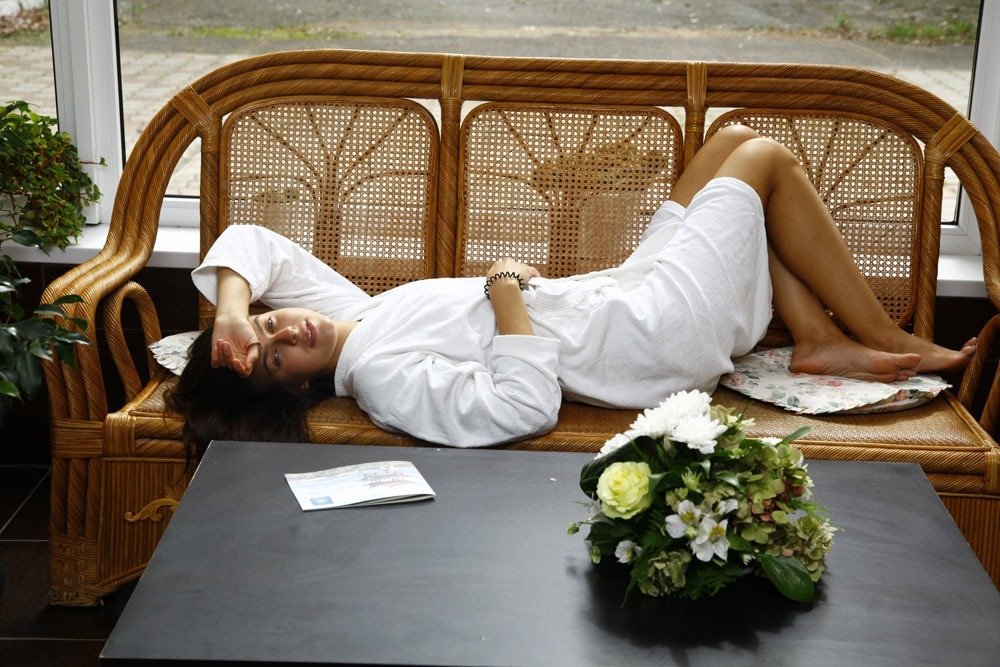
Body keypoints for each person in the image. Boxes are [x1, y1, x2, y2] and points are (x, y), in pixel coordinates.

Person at [168, 126, 976, 458]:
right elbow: (521, 408)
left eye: (270, 325)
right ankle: (885, 334)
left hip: (624, 293)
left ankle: (818, 338)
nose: (286, 333)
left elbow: (255, 243)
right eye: (276, 358)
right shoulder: (377, 375)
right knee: (760, 159)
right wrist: (504, 289)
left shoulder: (353, 318)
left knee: (726, 144)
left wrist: (232, 314)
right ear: (299, 387)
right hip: (653, 335)